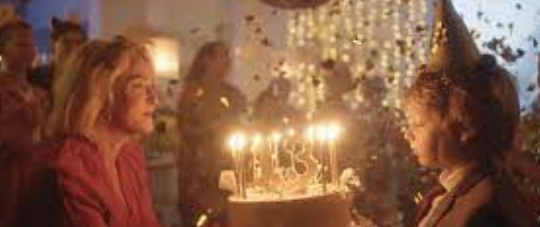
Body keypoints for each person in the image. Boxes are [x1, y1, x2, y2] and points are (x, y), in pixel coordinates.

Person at [403, 0, 536, 226]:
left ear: (464, 127)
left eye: (418, 124)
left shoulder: (486, 209)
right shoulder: (448, 192)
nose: (407, 134)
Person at [46, 37, 161, 227]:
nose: (154, 99)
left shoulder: (130, 156)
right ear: (100, 93)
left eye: (151, 86)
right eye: (138, 86)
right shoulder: (73, 167)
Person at [177, 41, 246, 227]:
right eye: (222, 55)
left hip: (228, 163)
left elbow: (244, 122)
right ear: (206, 60)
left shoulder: (232, 93)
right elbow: (183, 129)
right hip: (201, 168)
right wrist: (211, 129)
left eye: (228, 56)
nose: (228, 61)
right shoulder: (192, 92)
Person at [0, 9, 47, 227]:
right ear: (3, 50)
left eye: (31, 44)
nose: (28, 50)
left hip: (37, 175)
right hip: (9, 177)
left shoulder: (39, 93)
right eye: (20, 45)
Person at [29, 16, 87, 97]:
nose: (73, 47)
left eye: (79, 43)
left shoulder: (87, 78)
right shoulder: (35, 76)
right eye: (66, 42)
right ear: (53, 44)